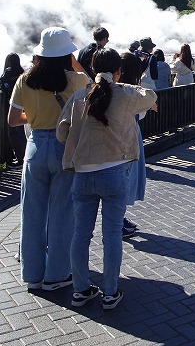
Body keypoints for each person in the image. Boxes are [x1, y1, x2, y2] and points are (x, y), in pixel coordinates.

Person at [57, 47, 157, 310]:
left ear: (91, 68)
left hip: (82, 174)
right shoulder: (125, 94)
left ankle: (81, 289)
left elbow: (61, 133)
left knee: (81, 234)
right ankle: (110, 292)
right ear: (118, 70)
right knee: (111, 234)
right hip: (114, 173)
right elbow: (150, 95)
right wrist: (119, 81)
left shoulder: (79, 97)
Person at [8, 27, 89, 291]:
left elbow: (12, 120)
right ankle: (56, 275)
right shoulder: (75, 80)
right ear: (66, 54)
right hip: (64, 147)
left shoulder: (25, 79)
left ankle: (32, 275)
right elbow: (92, 84)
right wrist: (72, 59)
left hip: (35, 147)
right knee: (62, 212)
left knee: (31, 212)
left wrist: (32, 116)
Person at [117, 52, 152, 236]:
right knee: (126, 177)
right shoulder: (131, 91)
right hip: (129, 135)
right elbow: (149, 104)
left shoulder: (108, 88)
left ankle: (119, 220)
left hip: (113, 136)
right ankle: (118, 223)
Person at [0, 52, 26, 168]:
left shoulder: (9, 71)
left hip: (11, 105)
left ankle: (19, 160)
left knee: (13, 133)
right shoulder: (21, 71)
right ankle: (23, 157)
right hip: (23, 105)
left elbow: (0, 85)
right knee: (21, 133)